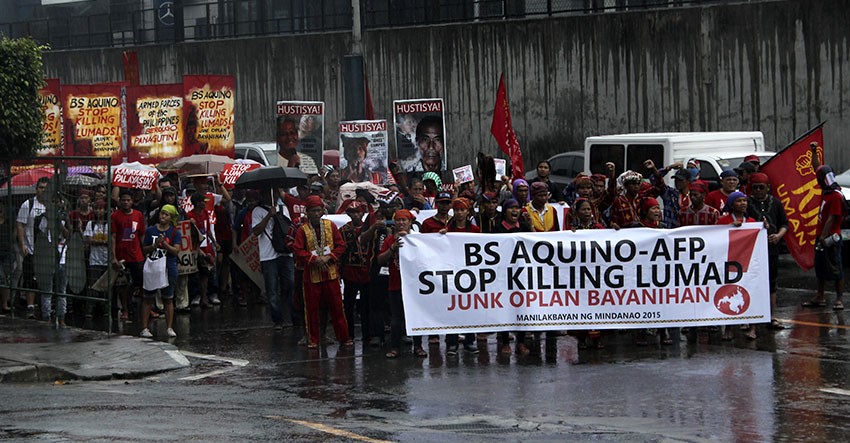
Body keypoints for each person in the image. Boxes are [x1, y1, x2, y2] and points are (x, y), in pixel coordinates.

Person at [292, 195, 352, 349]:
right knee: (311, 310)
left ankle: (344, 338)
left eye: (319, 210)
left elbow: (341, 246)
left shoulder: (330, 226)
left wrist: (328, 257)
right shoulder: (302, 230)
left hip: (331, 273)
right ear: (307, 212)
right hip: (311, 276)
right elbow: (298, 250)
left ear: (323, 211)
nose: (316, 214)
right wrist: (313, 259)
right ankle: (313, 339)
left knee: (337, 308)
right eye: (313, 211)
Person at [378, 209, 426, 358]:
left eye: (404, 220)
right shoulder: (390, 240)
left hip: (414, 286)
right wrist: (392, 248)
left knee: (416, 316)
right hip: (396, 284)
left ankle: (418, 346)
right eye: (398, 220)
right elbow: (380, 260)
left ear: (410, 222)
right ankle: (394, 347)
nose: (401, 223)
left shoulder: (418, 238)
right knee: (396, 318)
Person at [746, 172, 788, 330]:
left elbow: (785, 223)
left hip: (771, 249)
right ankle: (749, 317)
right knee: (751, 283)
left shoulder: (775, 203)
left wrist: (778, 236)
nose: (757, 191)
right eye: (754, 187)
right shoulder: (747, 203)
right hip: (752, 251)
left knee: (771, 283)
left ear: (768, 188)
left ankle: (771, 316)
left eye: (761, 187)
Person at [439, 198, 480, 355]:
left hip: (471, 275)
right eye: (457, 210)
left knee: (469, 308)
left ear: (468, 211)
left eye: (462, 210)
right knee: (452, 309)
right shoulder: (447, 230)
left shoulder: (475, 230)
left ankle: (470, 340)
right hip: (452, 275)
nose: (460, 213)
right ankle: (452, 342)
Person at [251, 190, 296, 329]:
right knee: (272, 289)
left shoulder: (284, 209)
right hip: (268, 255)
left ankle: (291, 316)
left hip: (285, 253)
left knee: (290, 284)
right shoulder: (257, 211)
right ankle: (278, 320)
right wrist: (269, 216)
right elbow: (256, 231)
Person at [803, 164, 845, 311]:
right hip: (821, 235)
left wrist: (823, 236)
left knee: (836, 268)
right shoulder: (826, 192)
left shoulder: (835, 195)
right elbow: (817, 166)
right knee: (820, 267)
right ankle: (820, 296)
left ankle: (839, 299)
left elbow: (833, 217)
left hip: (830, 237)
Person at [717, 191, 758, 340]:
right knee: (729, 293)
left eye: (744, 201)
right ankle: (729, 328)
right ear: (731, 204)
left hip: (750, 264)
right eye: (739, 201)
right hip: (731, 264)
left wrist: (764, 228)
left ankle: (753, 327)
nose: (743, 203)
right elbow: (715, 239)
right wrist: (727, 227)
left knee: (753, 293)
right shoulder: (724, 221)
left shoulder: (753, 222)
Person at [494, 198, 532, 355]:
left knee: (521, 307)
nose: (515, 211)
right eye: (511, 208)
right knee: (505, 307)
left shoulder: (524, 228)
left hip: (521, 274)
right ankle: (504, 341)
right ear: (505, 211)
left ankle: (521, 341)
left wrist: (530, 227)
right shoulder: (497, 230)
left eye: (517, 208)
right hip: (503, 274)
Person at [139, 205, 181, 339]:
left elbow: (176, 251)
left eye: (166, 214)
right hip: (152, 267)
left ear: (171, 218)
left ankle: (169, 327)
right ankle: (144, 328)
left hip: (168, 267)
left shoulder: (175, 232)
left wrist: (165, 244)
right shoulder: (151, 230)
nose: (163, 216)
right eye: (162, 213)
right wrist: (154, 246)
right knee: (148, 297)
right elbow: (144, 249)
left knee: (168, 298)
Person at [110, 189, 146, 321]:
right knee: (122, 285)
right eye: (123, 200)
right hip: (121, 256)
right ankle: (125, 309)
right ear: (120, 201)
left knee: (141, 283)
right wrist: (113, 256)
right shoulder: (115, 216)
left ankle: (145, 309)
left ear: (132, 201)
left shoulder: (139, 215)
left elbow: (142, 235)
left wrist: (145, 252)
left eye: (128, 200)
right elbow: (113, 237)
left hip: (137, 255)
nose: (126, 202)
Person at [339, 200, 371, 343]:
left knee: (366, 306)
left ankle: (367, 334)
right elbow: (340, 251)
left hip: (366, 271)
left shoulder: (369, 228)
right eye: (352, 212)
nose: (356, 215)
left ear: (363, 213)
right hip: (350, 271)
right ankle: (348, 334)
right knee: (348, 305)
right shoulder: (343, 230)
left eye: (358, 212)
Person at [16, 177, 49, 318]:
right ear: (36, 189)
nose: (43, 190)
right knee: (30, 278)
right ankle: (30, 306)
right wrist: (22, 243)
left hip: (47, 250)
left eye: (46, 188)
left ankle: (45, 306)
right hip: (31, 247)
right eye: (41, 187)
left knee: (45, 279)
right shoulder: (28, 204)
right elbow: (20, 225)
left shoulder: (51, 205)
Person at [647, 160, 690, 229]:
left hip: (688, 231)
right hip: (671, 231)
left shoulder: (693, 196)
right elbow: (654, 179)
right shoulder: (670, 193)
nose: (677, 182)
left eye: (680, 180)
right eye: (676, 179)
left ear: (688, 181)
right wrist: (669, 167)